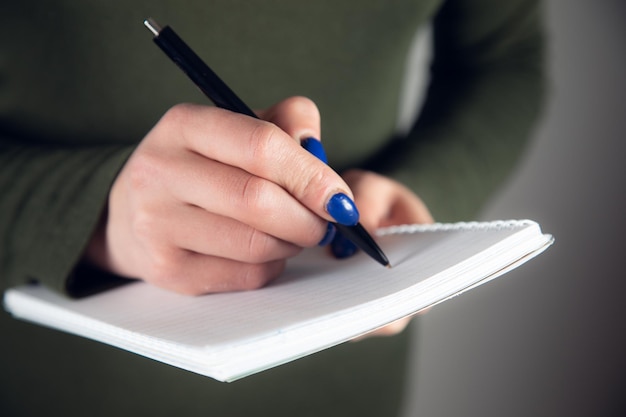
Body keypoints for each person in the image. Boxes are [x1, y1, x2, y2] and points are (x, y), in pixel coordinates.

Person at [0, 1, 546, 416]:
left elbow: (503, 58)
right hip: (63, 382)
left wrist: (420, 188)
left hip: (346, 377)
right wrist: (88, 215)